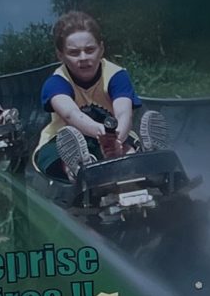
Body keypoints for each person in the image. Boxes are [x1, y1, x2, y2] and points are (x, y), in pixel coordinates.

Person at [36, 9, 164, 180]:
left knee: (126, 149)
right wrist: (101, 133)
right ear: (61, 55)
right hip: (66, 138)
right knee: (55, 154)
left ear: (101, 49)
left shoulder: (116, 75)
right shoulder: (56, 83)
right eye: (74, 53)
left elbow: (124, 113)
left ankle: (144, 161)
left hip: (115, 134)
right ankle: (79, 168)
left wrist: (116, 140)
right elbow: (70, 114)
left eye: (89, 50)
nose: (83, 58)